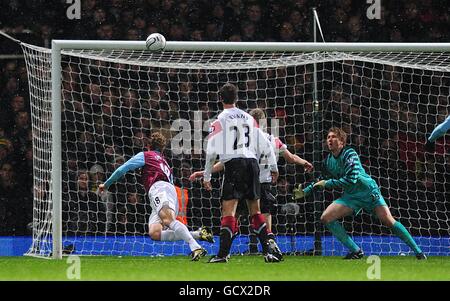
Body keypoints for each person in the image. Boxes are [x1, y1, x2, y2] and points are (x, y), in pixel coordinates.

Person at [190, 108, 314, 255]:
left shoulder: (244, 140)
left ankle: (225, 250)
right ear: (263, 122)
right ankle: (269, 248)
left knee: (233, 215)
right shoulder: (273, 140)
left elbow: (226, 162)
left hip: (245, 180)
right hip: (265, 184)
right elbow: (291, 157)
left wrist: (206, 172)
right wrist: (303, 162)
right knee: (263, 215)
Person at [293, 127, 426, 260]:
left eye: (334, 137)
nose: (330, 140)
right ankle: (356, 251)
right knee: (326, 217)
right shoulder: (328, 161)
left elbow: (351, 179)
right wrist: (305, 192)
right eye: (328, 137)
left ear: (342, 142)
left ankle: (419, 252)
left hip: (368, 192)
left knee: (388, 221)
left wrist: (327, 183)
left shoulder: (350, 154)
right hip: (351, 197)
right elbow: (319, 180)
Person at [99, 131, 213, 261]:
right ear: (162, 148)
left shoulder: (146, 155)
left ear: (148, 146)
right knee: (155, 233)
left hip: (160, 189)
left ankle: (195, 247)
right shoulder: (164, 161)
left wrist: (106, 184)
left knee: (168, 221)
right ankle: (199, 234)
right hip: (166, 192)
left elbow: (122, 169)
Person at [202, 83, 281, 263]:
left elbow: (211, 150)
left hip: (234, 164)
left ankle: (222, 254)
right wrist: (274, 168)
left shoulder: (219, 120)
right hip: (252, 164)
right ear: (236, 98)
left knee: (228, 211)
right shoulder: (249, 118)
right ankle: (269, 250)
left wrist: (207, 176)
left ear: (220, 99)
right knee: (256, 211)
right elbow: (267, 145)